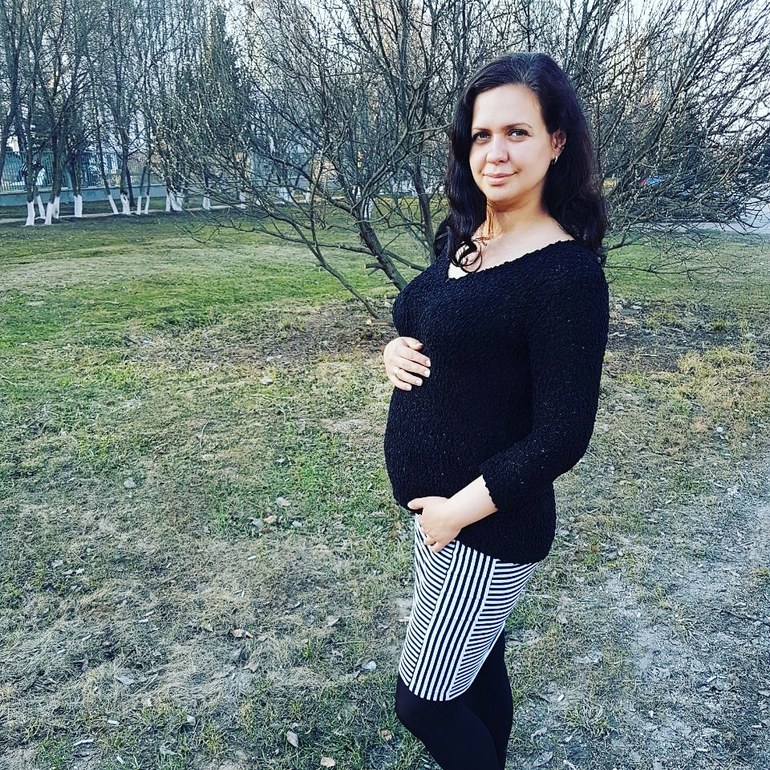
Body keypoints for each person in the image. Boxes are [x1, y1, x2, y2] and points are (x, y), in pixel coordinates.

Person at [381, 52, 610, 770]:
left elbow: (563, 434)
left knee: (423, 703)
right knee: (480, 669)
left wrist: (455, 514)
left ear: (556, 141)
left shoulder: (567, 274)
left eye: (517, 132)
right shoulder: (466, 237)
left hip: (484, 529)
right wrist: (394, 350)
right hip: (444, 522)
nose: (496, 152)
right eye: (482, 135)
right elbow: (428, 317)